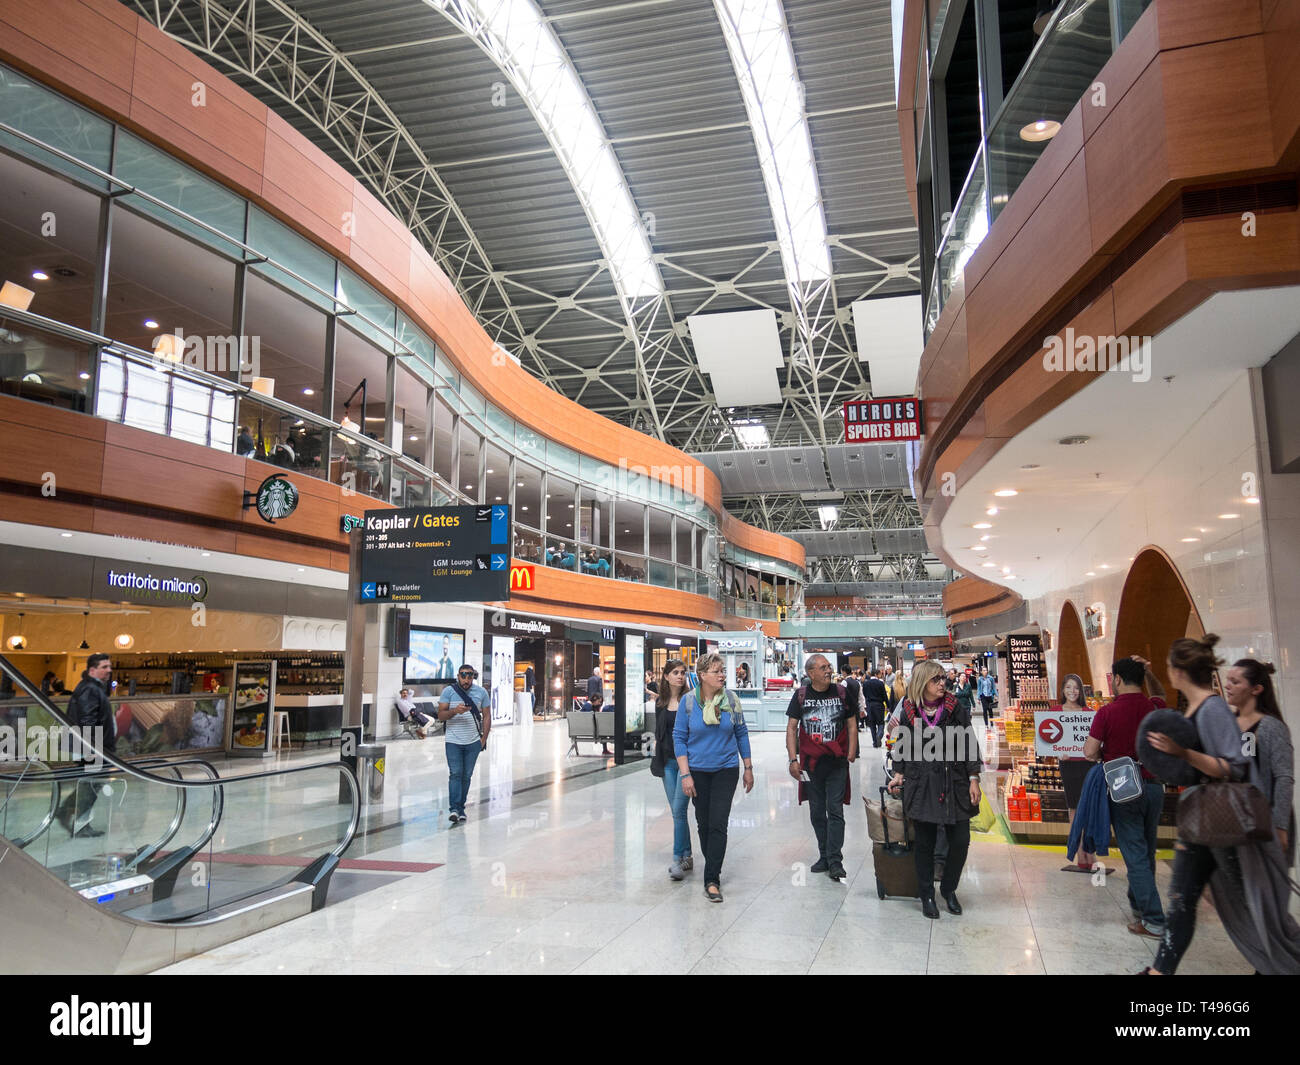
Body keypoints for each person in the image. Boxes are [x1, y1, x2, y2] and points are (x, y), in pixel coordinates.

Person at [1141, 635, 1300, 975]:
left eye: (1170, 666)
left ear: (1180, 671)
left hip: (1220, 823)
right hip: (1203, 822)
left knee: (1249, 905)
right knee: (1183, 900)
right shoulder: (1201, 708)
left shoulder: (1212, 709)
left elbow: (1232, 766)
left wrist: (1182, 753)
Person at [888, 659, 982, 918]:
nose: (943, 683)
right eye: (936, 679)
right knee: (924, 844)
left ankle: (949, 889)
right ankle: (927, 894)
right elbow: (901, 746)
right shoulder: (909, 711)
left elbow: (969, 742)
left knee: (960, 841)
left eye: (943, 678)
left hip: (954, 783)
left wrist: (974, 777)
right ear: (922, 683)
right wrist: (898, 774)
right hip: (922, 784)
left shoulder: (955, 709)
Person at [1082, 657, 1167, 939]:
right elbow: (1161, 693)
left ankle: (1154, 920)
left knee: (1135, 854)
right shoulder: (1153, 707)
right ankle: (1139, 907)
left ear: (1117, 679)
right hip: (1154, 785)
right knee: (1146, 849)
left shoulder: (1107, 712)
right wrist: (1149, 671)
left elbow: (1089, 752)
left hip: (1124, 788)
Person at [674, 652, 753, 902]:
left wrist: (748, 767)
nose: (722, 675)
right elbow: (679, 738)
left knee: (718, 822)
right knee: (703, 823)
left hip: (725, 769)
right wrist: (685, 774)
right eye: (717, 671)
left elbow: (741, 733)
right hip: (696, 772)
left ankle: (712, 878)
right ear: (702, 675)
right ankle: (712, 865)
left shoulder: (731, 700)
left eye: (723, 671)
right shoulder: (688, 703)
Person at [786, 654, 859, 880]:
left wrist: (851, 752)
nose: (829, 670)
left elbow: (852, 724)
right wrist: (792, 759)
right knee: (817, 811)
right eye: (823, 667)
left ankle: (835, 860)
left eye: (829, 666)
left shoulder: (842, 693)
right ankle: (824, 855)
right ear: (811, 673)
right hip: (809, 766)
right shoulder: (800, 696)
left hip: (837, 764)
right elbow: (791, 728)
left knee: (835, 810)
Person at [1226, 659, 1294, 866]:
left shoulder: (1271, 727)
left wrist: (1281, 827)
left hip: (1265, 821)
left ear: (1256, 689)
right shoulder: (1227, 725)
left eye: (1235, 682)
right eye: (1228, 680)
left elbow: (1283, 777)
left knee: (1264, 892)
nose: (1227, 685)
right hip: (1232, 821)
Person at [54, 654, 115, 838]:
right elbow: (88, 719)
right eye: (104, 667)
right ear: (92, 670)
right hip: (90, 746)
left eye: (109, 666)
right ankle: (81, 825)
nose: (108, 670)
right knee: (91, 786)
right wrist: (94, 749)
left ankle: (65, 812)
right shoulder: (90, 689)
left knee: (89, 785)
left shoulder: (93, 687)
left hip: (88, 745)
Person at [651, 659, 694, 881]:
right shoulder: (661, 702)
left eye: (683, 672)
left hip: (684, 763)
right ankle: (687, 854)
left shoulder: (691, 700)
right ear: (666, 676)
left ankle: (677, 858)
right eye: (675, 672)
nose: (680, 676)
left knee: (678, 811)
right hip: (667, 762)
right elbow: (659, 733)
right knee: (677, 812)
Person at [437, 665, 490, 824]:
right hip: (453, 741)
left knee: (466, 776)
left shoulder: (481, 693)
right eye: (463, 676)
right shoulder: (448, 692)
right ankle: (454, 809)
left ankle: (460, 809)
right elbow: (440, 715)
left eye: (470, 676)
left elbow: (487, 716)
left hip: (473, 742)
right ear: (458, 676)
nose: (466, 680)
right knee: (456, 773)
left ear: (473, 677)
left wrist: (483, 739)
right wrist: (454, 711)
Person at [863, 668, 888, 748]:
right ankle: (879, 735)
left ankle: (875, 742)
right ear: (877, 674)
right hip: (879, 705)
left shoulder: (866, 684)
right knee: (881, 723)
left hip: (869, 705)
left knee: (872, 724)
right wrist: (888, 705)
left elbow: (864, 694)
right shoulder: (880, 683)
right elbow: (884, 696)